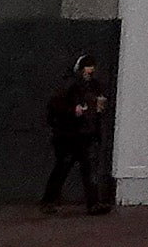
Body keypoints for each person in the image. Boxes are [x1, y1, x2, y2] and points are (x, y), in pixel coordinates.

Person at [40, 52, 114, 213]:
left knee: (83, 168)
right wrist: (73, 110)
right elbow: (56, 106)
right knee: (66, 167)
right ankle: (50, 200)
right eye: (88, 69)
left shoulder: (90, 85)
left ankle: (91, 203)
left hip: (83, 134)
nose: (90, 72)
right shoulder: (71, 86)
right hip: (70, 135)